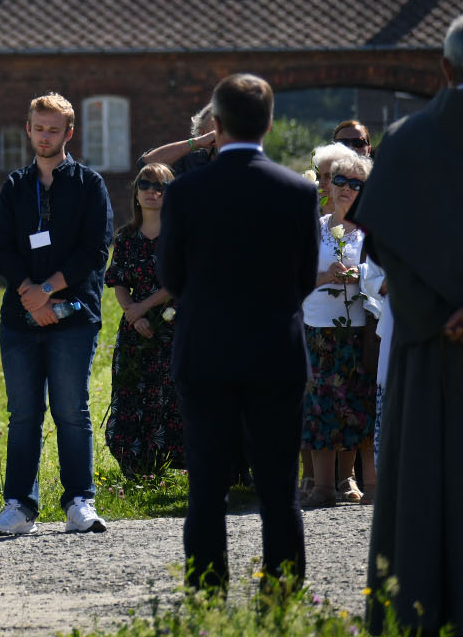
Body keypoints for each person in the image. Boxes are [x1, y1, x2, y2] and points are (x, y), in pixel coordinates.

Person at [157, 74, 319, 592]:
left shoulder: (184, 192)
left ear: (217, 125)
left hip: (205, 352)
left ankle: (207, 592)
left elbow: (170, 278)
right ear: (269, 124)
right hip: (275, 351)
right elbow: (303, 277)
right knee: (279, 487)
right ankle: (283, 592)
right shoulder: (297, 191)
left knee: (206, 486)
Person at [356, 14, 463, 635]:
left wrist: (432, 314)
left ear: (444, 69)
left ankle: (416, 615)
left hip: (430, 350)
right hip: (433, 337)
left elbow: (387, 243)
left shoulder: (406, 138)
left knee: (423, 487)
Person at [0, 92, 113, 538]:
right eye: (38, 128)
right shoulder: (15, 186)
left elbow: (95, 250)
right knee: (23, 414)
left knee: (71, 411)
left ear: (69, 133)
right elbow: (2, 249)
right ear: (29, 129)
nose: (45, 136)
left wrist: (46, 291)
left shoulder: (89, 184)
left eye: (53, 130)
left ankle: (80, 500)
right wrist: (29, 295)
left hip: (74, 317)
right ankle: (19, 505)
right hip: (20, 318)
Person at [298, 145, 376, 509]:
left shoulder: (371, 233)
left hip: (359, 330)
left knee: (360, 405)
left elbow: (384, 274)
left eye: (355, 183)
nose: (345, 188)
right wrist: (323, 277)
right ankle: (322, 488)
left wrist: (358, 276)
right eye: (339, 180)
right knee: (320, 408)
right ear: (328, 186)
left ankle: (364, 483)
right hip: (318, 329)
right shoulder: (313, 229)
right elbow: (293, 279)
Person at [104, 161, 183, 477]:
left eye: (160, 187)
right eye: (145, 185)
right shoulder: (125, 237)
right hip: (135, 330)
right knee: (132, 394)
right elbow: (118, 279)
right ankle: (136, 467)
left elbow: (180, 279)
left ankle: (170, 464)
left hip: (174, 325)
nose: (152, 192)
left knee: (170, 395)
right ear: (136, 193)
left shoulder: (179, 235)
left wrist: (144, 306)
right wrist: (132, 314)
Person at [139, 103, 218, 177]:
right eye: (218, 127)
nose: (225, 133)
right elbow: (147, 164)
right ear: (203, 132)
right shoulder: (189, 161)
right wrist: (196, 142)